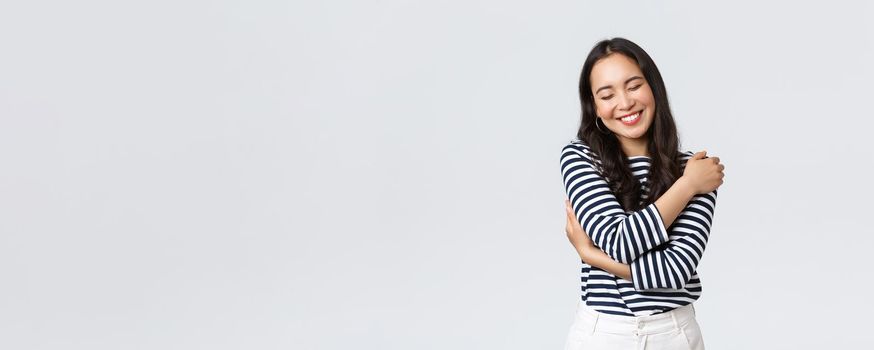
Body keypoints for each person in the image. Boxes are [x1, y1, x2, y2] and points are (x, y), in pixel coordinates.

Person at [559, 37, 725, 350]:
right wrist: (686, 188)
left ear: (654, 88)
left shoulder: (694, 169)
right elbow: (620, 241)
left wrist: (591, 255)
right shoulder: (580, 157)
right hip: (602, 334)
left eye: (634, 85)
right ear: (595, 107)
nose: (624, 103)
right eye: (607, 94)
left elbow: (675, 271)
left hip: (674, 334)